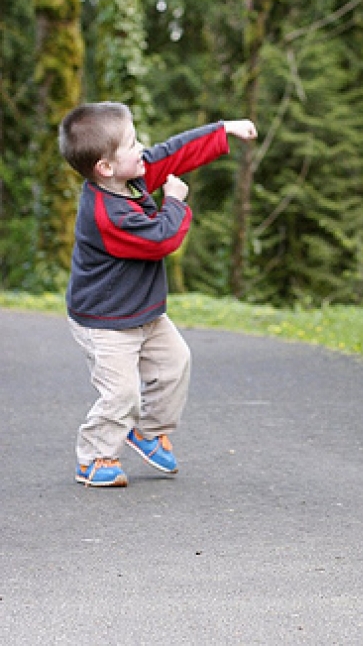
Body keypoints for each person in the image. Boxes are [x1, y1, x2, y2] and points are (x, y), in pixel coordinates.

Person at [59, 102, 257, 487]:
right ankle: (95, 457)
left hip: (143, 312)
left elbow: (172, 152)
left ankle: (148, 432)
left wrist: (224, 129)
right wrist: (176, 202)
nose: (141, 149)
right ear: (105, 167)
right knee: (122, 394)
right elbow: (161, 239)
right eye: (132, 144)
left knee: (175, 364)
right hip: (106, 322)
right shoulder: (107, 214)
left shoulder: (130, 177)